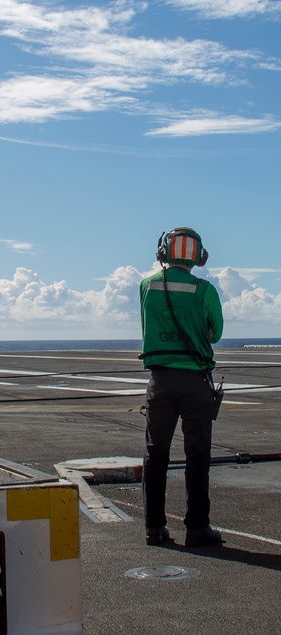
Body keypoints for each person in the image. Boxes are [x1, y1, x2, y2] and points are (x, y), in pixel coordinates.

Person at [138, 227, 224, 547]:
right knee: (197, 455)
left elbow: (147, 327)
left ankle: (153, 527)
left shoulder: (147, 286)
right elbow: (215, 333)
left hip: (160, 381)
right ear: (198, 256)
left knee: (155, 454)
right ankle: (197, 528)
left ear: (163, 252)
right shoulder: (204, 290)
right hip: (195, 381)